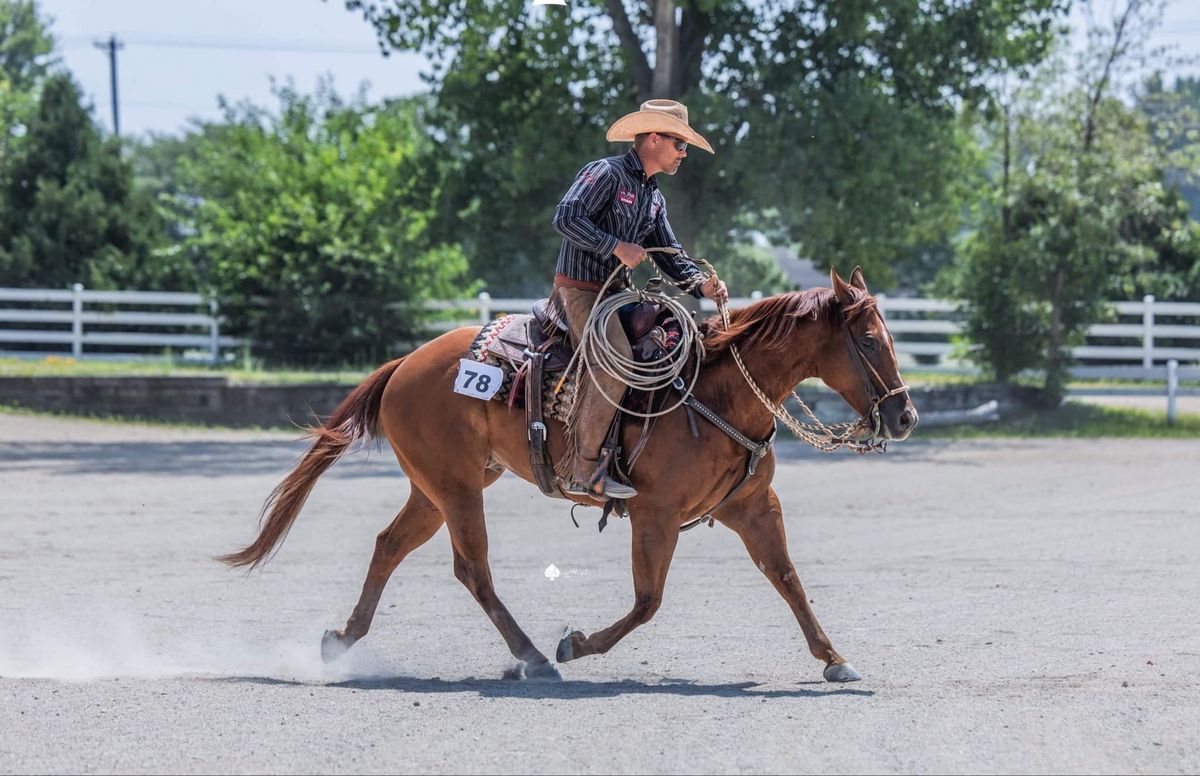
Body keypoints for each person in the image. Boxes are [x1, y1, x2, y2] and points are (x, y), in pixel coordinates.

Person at [551, 98, 729, 500]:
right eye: (679, 144)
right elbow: (565, 217)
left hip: (613, 294)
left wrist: (701, 284)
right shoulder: (606, 173)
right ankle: (582, 471)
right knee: (615, 363)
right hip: (578, 290)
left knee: (671, 344)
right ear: (653, 139)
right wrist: (615, 246)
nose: (684, 154)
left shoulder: (653, 197)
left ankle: (636, 453)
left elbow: (670, 251)